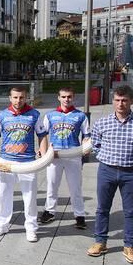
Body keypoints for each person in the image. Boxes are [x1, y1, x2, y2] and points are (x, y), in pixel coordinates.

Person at [88, 85, 133, 264]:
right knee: (102, 208)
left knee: (130, 211)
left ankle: (130, 246)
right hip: (107, 171)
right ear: (113, 101)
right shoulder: (102, 123)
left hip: (131, 173)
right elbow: (95, 144)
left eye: (124, 100)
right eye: (117, 100)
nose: (120, 104)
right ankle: (100, 242)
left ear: (131, 101)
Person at [0, 86, 47, 242]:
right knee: (4, 194)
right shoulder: (1, 116)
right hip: (6, 160)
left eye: (21, 97)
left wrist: (43, 154)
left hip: (27, 161)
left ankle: (31, 227)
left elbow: (42, 136)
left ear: (26, 97)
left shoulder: (34, 114)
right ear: (10, 98)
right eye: (15, 97)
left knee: (29, 196)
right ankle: (2, 224)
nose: (18, 100)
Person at [39, 87, 90, 229]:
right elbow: (43, 134)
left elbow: (87, 135)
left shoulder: (80, 116)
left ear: (73, 97)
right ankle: (49, 211)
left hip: (73, 155)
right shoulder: (50, 115)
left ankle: (79, 215)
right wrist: (42, 150)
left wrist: (86, 146)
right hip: (54, 155)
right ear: (58, 97)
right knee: (52, 185)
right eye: (63, 97)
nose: (66, 99)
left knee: (75, 187)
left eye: (69, 97)